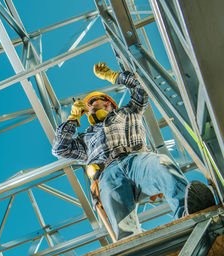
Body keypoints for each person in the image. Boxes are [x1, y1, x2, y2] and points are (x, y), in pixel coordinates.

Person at [52, 62, 216, 240]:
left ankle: (188, 213)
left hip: (135, 160)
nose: (89, 106)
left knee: (161, 164)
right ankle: (134, 246)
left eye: (92, 101)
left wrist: (113, 76)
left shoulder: (129, 111)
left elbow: (142, 85)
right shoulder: (86, 138)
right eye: (86, 105)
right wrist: (72, 118)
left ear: (109, 103)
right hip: (107, 174)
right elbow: (59, 148)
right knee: (123, 226)